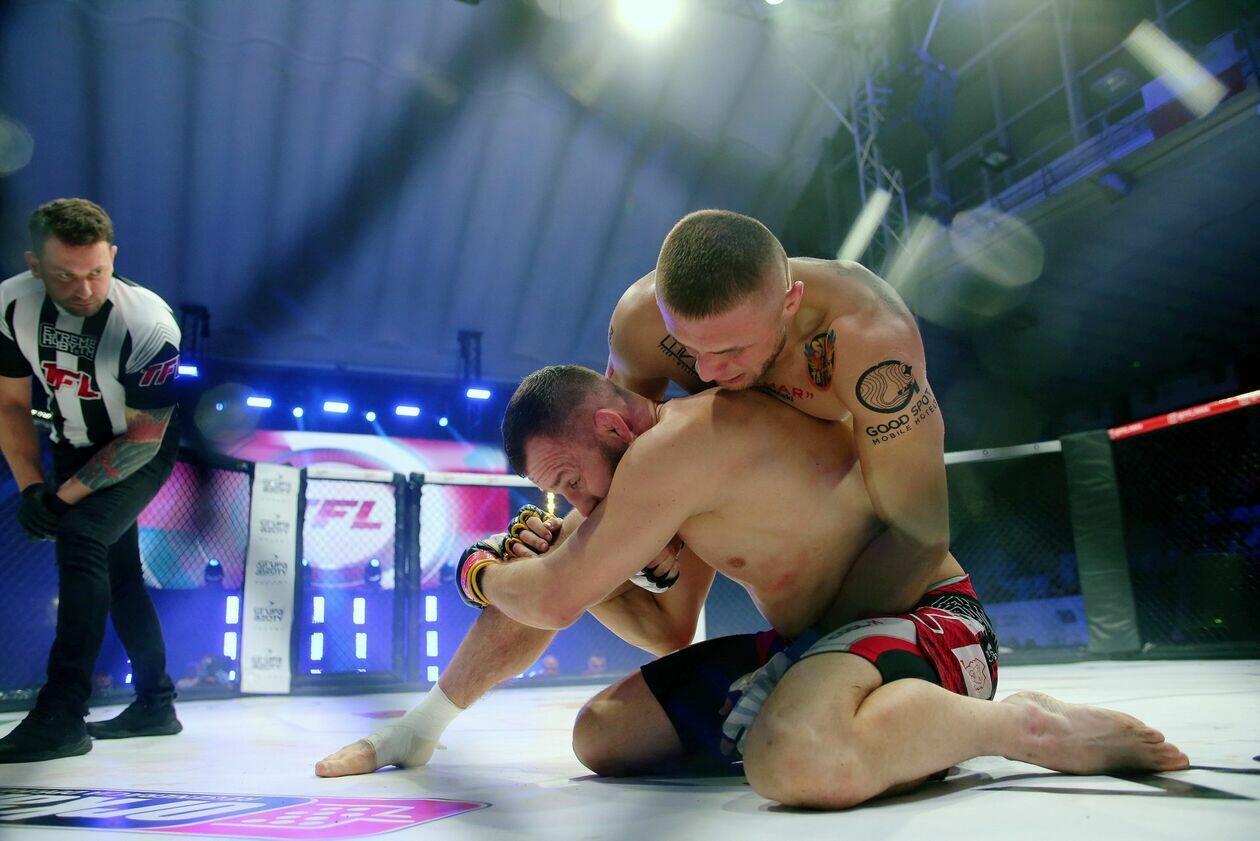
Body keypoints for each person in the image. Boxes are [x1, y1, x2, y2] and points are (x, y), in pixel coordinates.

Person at [317, 208, 955, 777]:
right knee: (599, 713)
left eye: (731, 350)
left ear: (790, 303)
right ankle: (422, 726)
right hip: (735, 501)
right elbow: (623, 463)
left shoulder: (866, 339)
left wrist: (808, 654)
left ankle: (882, 707)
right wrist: (601, 547)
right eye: (692, 351)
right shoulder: (644, 329)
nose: (708, 373)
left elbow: (921, 534)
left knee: (571, 568)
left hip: (890, 598)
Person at [466, 365, 1188, 808]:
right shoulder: (648, 475)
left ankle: (1020, 725)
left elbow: (552, 598)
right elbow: (665, 629)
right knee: (603, 734)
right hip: (812, 644)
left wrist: (484, 573)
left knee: (792, 760)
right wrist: (583, 570)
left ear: (612, 426)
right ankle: (857, 723)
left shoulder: (679, 447)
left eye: (572, 480)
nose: (581, 504)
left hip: (929, 619)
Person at [0, 199, 184, 764]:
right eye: (65, 276)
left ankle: (61, 713)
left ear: (114, 258)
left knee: (81, 537)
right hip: (70, 443)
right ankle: (156, 703)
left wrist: (60, 501)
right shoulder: (11, 304)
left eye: (96, 272)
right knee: (120, 575)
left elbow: (143, 439)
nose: (84, 290)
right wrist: (31, 487)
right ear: (35, 265)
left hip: (138, 447)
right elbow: (9, 405)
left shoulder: (149, 324)